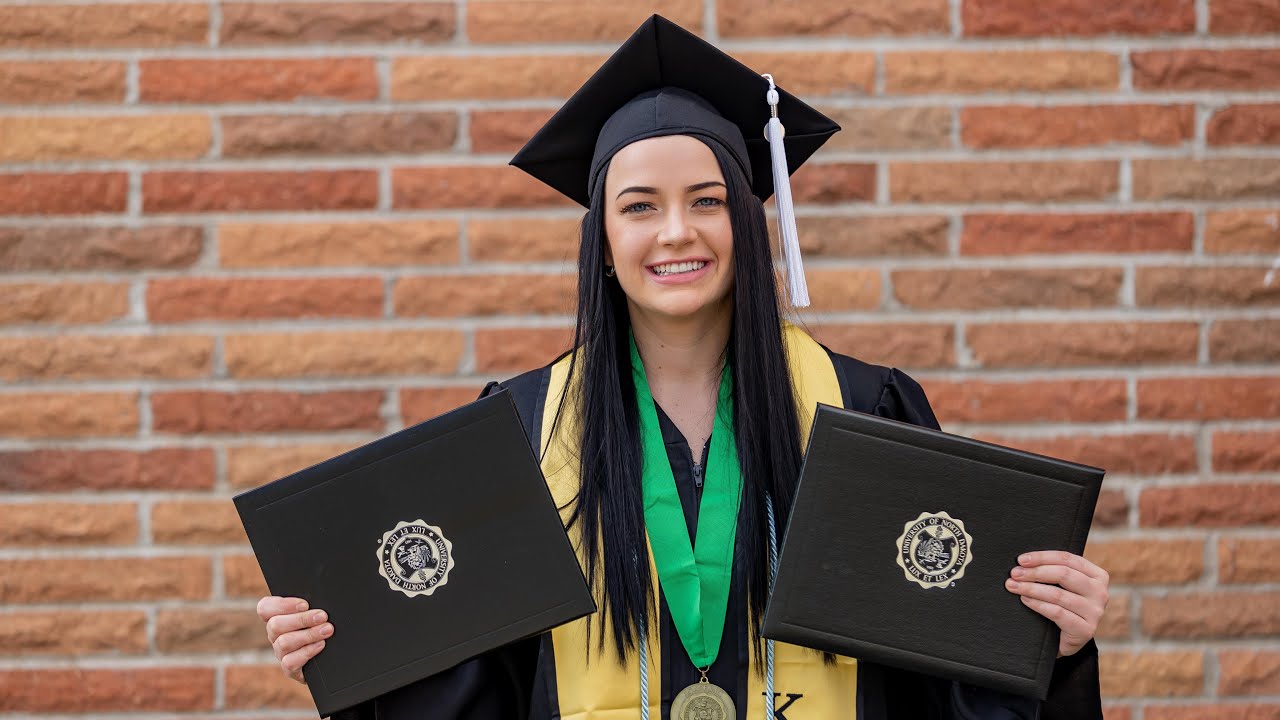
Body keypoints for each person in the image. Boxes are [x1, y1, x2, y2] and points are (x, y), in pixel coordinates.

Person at [256, 15, 1109, 720]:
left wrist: (1053, 645)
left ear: (745, 217)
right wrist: (354, 654)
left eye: (707, 201)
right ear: (604, 242)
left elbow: (943, 663)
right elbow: (474, 685)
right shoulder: (527, 428)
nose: (676, 233)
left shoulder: (861, 408)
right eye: (639, 208)